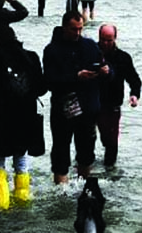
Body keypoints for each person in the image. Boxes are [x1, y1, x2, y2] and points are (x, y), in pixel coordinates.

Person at [0, 27, 46, 209]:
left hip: (0, 116)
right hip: (26, 115)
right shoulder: (31, 57)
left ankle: (2, 205)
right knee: (21, 159)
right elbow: (42, 88)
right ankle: (23, 201)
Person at [43, 11, 109, 184]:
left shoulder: (90, 46)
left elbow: (104, 67)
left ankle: (83, 187)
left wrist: (105, 72)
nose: (77, 33)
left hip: (87, 108)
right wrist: (76, 76)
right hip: (62, 109)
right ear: (64, 27)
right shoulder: (52, 50)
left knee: (86, 153)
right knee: (60, 152)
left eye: (80, 29)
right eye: (73, 29)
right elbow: (49, 81)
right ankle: (61, 193)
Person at [96, 24, 141, 168]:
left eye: (109, 40)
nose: (105, 43)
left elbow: (134, 79)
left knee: (111, 142)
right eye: (103, 40)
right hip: (91, 103)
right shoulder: (91, 52)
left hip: (112, 105)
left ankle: (110, 174)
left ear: (115, 38)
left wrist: (134, 94)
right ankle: (83, 174)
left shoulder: (123, 57)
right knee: (86, 141)